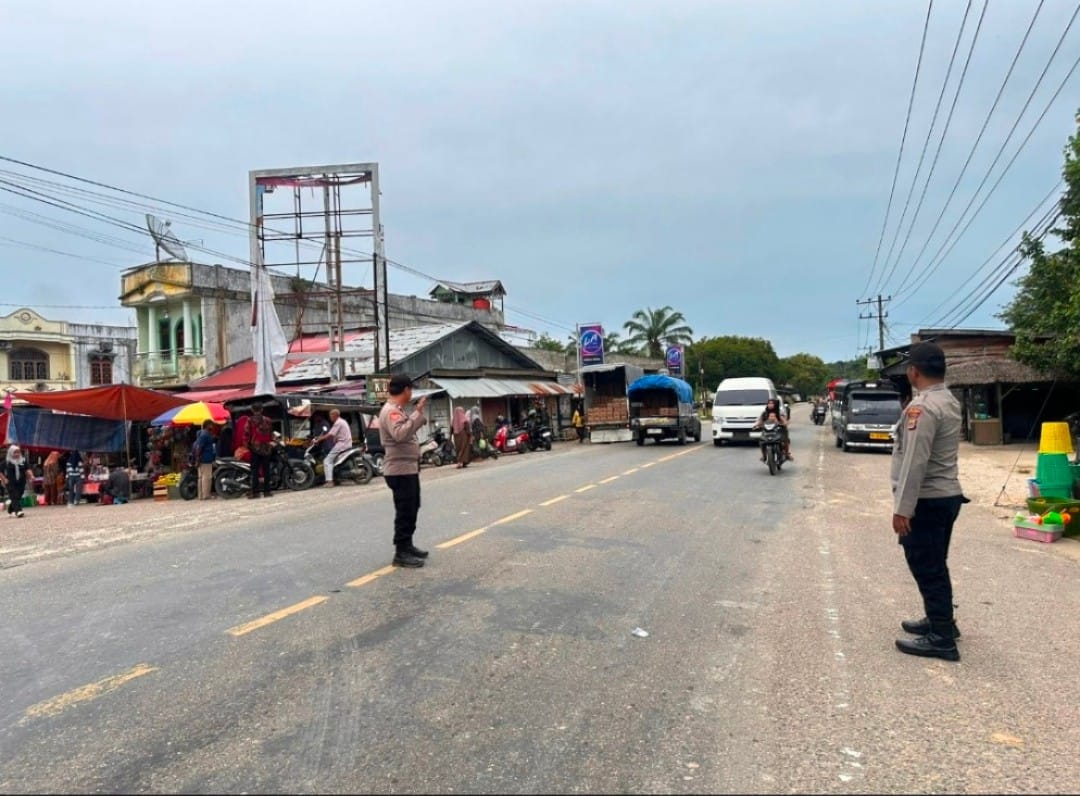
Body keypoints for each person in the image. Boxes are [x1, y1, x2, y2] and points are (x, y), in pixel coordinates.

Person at [891, 343, 966, 662]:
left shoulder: (922, 407)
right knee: (935, 562)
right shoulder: (947, 399)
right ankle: (940, 620)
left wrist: (902, 509)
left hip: (927, 500)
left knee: (926, 565)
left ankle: (942, 638)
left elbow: (914, 462)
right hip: (946, 496)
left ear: (913, 371)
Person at [379, 374, 429, 568]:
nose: (412, 393)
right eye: (411, 389)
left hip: (407, 468)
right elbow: (400, 434)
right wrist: (417, 414)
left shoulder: (396, 410)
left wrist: (416, 413)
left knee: (412, 507)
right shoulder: (391, 411)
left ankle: (407, 545)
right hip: (399, 470)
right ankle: (401, 552)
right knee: (405, 510)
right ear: (406, 390)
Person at [316, 409, 353, 487]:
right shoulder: (342, 421)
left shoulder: (338, 423)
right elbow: (336, 434)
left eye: (331, 415)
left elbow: (329, 434)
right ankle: (337, 478)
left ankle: (329, 481)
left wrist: (318, 439)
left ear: (335, 415)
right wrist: (335, 439)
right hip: (345, 443)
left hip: (342, 444)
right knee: (334, 461)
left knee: (327, 461)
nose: (330, 417)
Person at [244, 404, 274, 499]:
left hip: (255, 448)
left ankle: (255, 492)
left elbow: (246, 433)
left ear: (252, 410)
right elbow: (271, 434)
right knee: (266, 470)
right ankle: (267, 491)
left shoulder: (250, 420)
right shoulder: (268, 420)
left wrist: (246, 445)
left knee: (255, 471)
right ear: (262, 409)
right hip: (266, 448)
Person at [193, 420, 218, 500]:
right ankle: (206, 495)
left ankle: (201, 495)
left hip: (202, 459)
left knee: (201, 477)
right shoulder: (205, 435)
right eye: (211, 425)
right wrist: (197, 459)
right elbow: (199, 447)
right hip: (205, 459)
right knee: (206, 477)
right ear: (207, 425)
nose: (213, 426)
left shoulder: (202, 434)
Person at [4, 445, 29, 518]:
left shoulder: (23, 461)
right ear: (11, 453)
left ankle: (10, 509)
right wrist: (4, 479)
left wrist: (31, 475)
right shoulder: (7, 462)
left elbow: (27, 469)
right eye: (15, 452)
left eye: (18, 452)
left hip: (21, 482)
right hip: (10, 482)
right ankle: (18, 511)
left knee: (18, 496)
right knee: (14, 496)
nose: (17, 454)